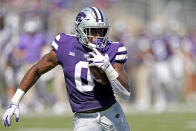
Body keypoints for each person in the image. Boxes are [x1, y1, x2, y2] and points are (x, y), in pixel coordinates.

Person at [2, 6, 131, 131]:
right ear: (80, 29)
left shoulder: (113, 49)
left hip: (112, 114)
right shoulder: (65, 45)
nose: (98, 36)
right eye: (93, 31)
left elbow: (125, 94)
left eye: (101, 31)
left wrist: (107, 67)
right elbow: (36, 70)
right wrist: (15, 100)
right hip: (84, 119)